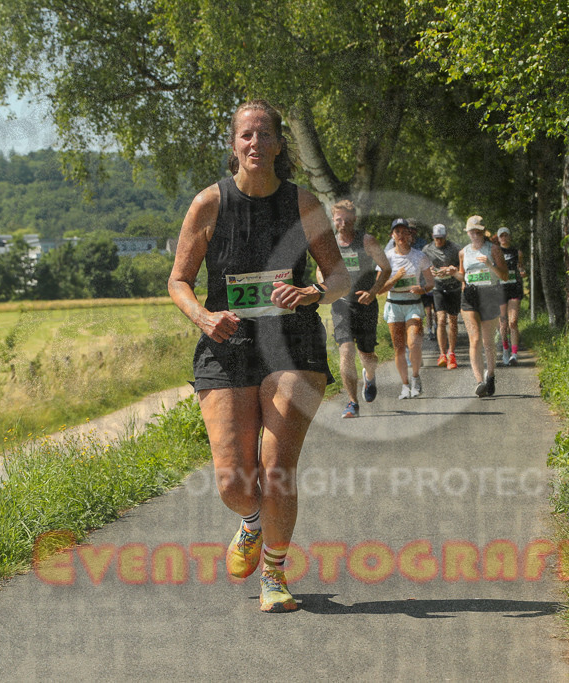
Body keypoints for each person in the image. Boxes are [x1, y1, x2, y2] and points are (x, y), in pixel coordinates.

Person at [168, 99, 349, 613]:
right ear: (233, 144)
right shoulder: (209, 204)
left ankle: (274, 573)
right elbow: (178, 279)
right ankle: (250, 522)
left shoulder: (301, 203)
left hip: (293, 345)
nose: (254, 143)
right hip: (226, 345)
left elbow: (337, 276)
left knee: (275, 468)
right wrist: (204, 317)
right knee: (234, 481)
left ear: (277, 145)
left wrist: (314, 292)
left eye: (263, 134)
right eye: (245, 135)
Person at [323, 199, 392, 418]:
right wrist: (326, 288)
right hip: (341, 304)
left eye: (347, 219)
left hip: (365, 304)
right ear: (333, 221)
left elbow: (386, 268)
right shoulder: (330, 244)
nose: (342, 223)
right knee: (346, 351)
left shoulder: (366, 241)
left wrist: (373, 292)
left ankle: (369, 376)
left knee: (367, 353)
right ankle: (352, 402)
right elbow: (320, 270)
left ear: (354, 219)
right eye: (338, 219)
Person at [381, 218, 435, 398]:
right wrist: (395, 278)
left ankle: (415, 377)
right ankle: (404, 385)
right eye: (398, 232)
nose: (401, 235)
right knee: (399, 348)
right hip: (394, 305)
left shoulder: (420, 256)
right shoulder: (387, 257)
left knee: (414, 344)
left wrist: (423, 289)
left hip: (413, 304)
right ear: (392, 235)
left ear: (410, 235)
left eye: (405, 232)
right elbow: (379, 288)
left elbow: (431, 283)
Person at [458, 215, 508, 397]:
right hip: (470, 297)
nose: (475, 234)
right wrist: (451, 273)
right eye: (472, 231)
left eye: (478, 231)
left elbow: (504, 276)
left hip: (490, 295)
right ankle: (480, 381)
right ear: (468, 233)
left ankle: (491, 375)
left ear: (482, 232)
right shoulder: (463, 252)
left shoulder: (493, 249)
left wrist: (490, 264)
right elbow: (462, 276)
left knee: (488, 342)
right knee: (475, 339)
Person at [422, 223, 461, 369]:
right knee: (441, 319)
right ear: (433, 237)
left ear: (446, 236)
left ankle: (452, 353)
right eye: (437, 238)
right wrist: (430, 271)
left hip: (454, 287)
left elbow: (462, 266)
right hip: (438, 287)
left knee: (453, 320)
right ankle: (442, 354)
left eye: (442, 238)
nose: (439, 241)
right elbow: (423, 266)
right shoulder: (427, 249)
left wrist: (453, 269)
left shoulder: (455, 248)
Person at [496, 227, 526, 366]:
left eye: (506, 235)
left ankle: (514, 354)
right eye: (501, 236)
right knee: (503, 324)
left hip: (514, 288)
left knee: (512, 322)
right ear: (498, 238)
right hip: (500, 289)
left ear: (509, 237)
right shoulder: (495, 252)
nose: (504, 238)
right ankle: (505, 349)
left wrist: (522, 271)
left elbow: (520, 267)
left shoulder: (517, 252)